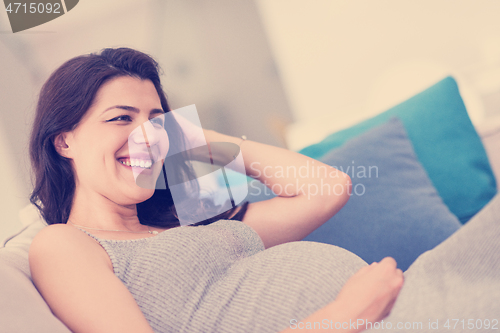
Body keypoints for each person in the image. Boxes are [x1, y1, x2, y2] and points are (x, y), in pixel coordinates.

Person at [27, 48, 500, 333]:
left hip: (406, 306)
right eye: (121, 118)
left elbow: (328, 187)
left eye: (157, 120)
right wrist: (349, 312)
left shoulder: (182, 222)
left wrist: (199, 140)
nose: (148, 136)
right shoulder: (64, 244)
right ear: (64, 139)